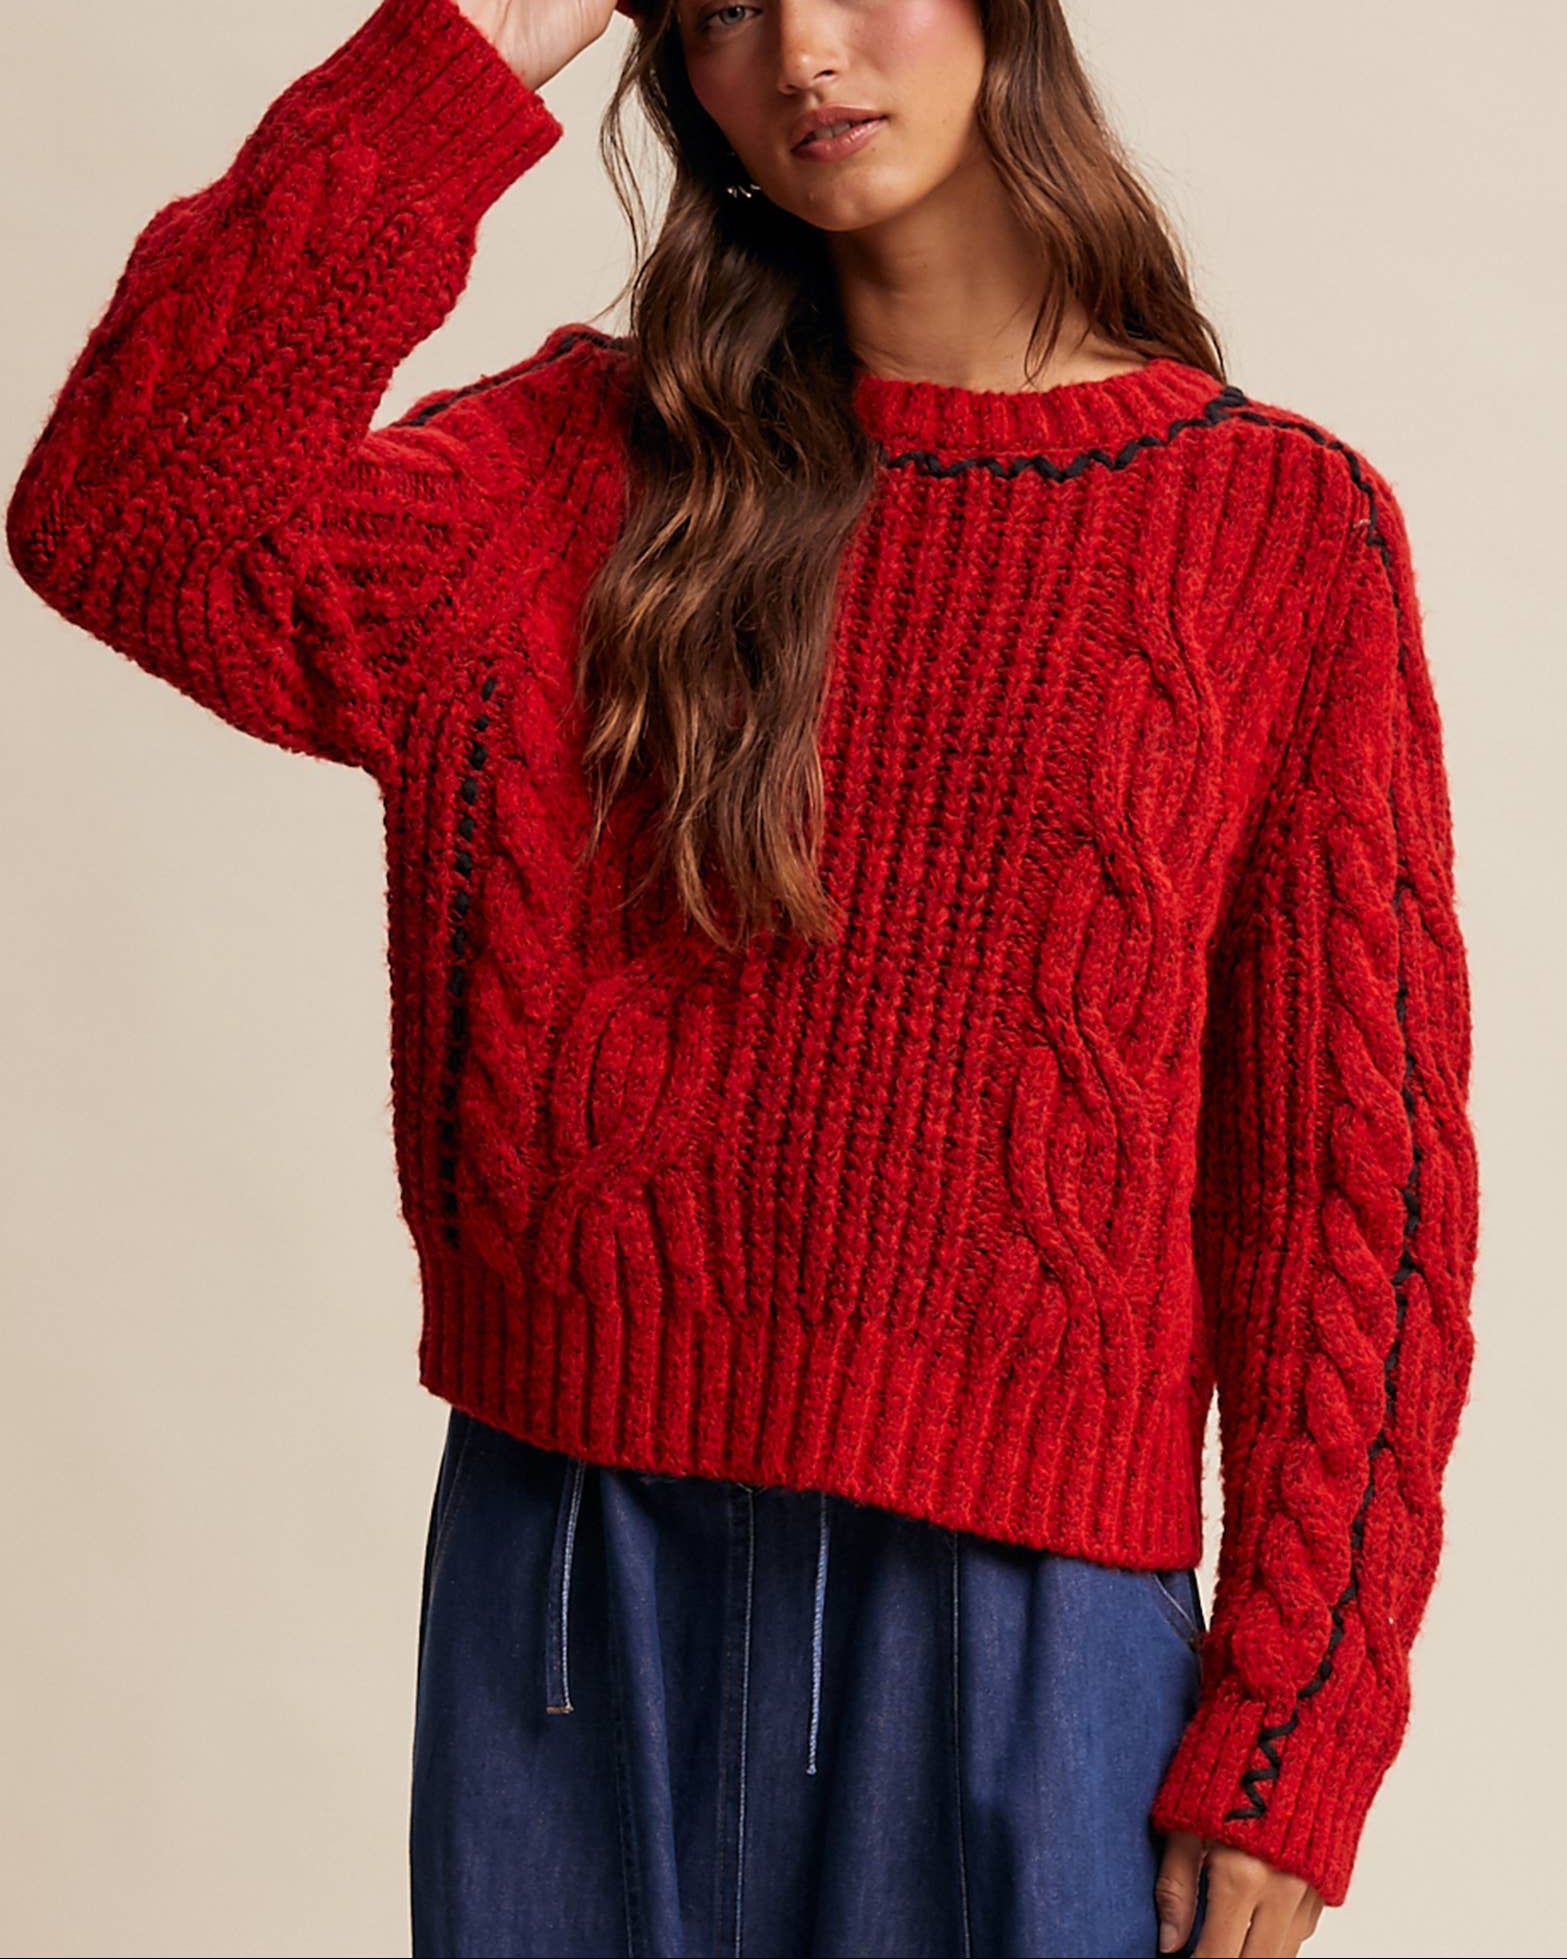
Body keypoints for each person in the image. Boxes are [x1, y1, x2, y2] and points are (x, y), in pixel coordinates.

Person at [6, 0, 1480, 1953]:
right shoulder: (561, 473)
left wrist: (1300, 1722)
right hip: (570, 1575)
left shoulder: (1272, 533)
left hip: (1023, 1613)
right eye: (715, 14)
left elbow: (1349, 1189)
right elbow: (132, 509)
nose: (798, 52)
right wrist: (471, 43)